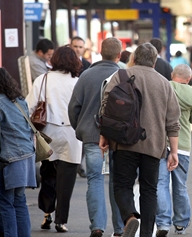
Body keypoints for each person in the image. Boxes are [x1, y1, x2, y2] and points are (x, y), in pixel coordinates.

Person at [99, 42, 181, 237]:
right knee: (149, 191)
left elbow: (105, 108)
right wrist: (174, 152)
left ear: (133, 58)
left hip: (123, 141)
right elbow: (173, 122)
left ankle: (129, 217)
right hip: (153, 145)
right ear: (154, 61)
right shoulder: (164, 83)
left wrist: (104, 135)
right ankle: (146, 234)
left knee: (122, 185)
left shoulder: (119, 76)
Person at [68, 37, 125, 237]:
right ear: (119, 55)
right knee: (117, 181)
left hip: (92, 137)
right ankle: (119, 229)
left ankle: (98, 227)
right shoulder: (124, 74)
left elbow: (74, 107)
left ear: (100, 53)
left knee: (94, 179)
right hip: (119, 139)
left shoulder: (86, 75)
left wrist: (81, 128)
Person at [26, 46, 82, 233]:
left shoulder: (43, 79)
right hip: (72, 134)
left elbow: (29, 105)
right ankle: (61, 220)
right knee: (66, 179)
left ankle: (47, 212)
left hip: (48, 132)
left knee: (48, 173)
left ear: (55, 60)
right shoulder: (77, 82)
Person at [155, 64, 192, 236]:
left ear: (172, 75)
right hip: (182, 146)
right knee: (180, 185)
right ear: (189, 79)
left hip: (161, 143)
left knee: (161, 184)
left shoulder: (164, 86)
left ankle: (163, 223)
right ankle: (181, 223)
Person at [0, 67, 37, 237]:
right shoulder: (19, 100)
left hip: (10, 159)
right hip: (26, 158)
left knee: (6, 202)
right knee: (20, 201)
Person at [70, 36, 91, 178]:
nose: (77, 49)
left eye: (80, 47)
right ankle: (73, 163)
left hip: (83, 105)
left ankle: (79, 163)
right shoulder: (65, 63)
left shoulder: (88, 65)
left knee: (80, 136)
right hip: (68, 103)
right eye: (75, 46)